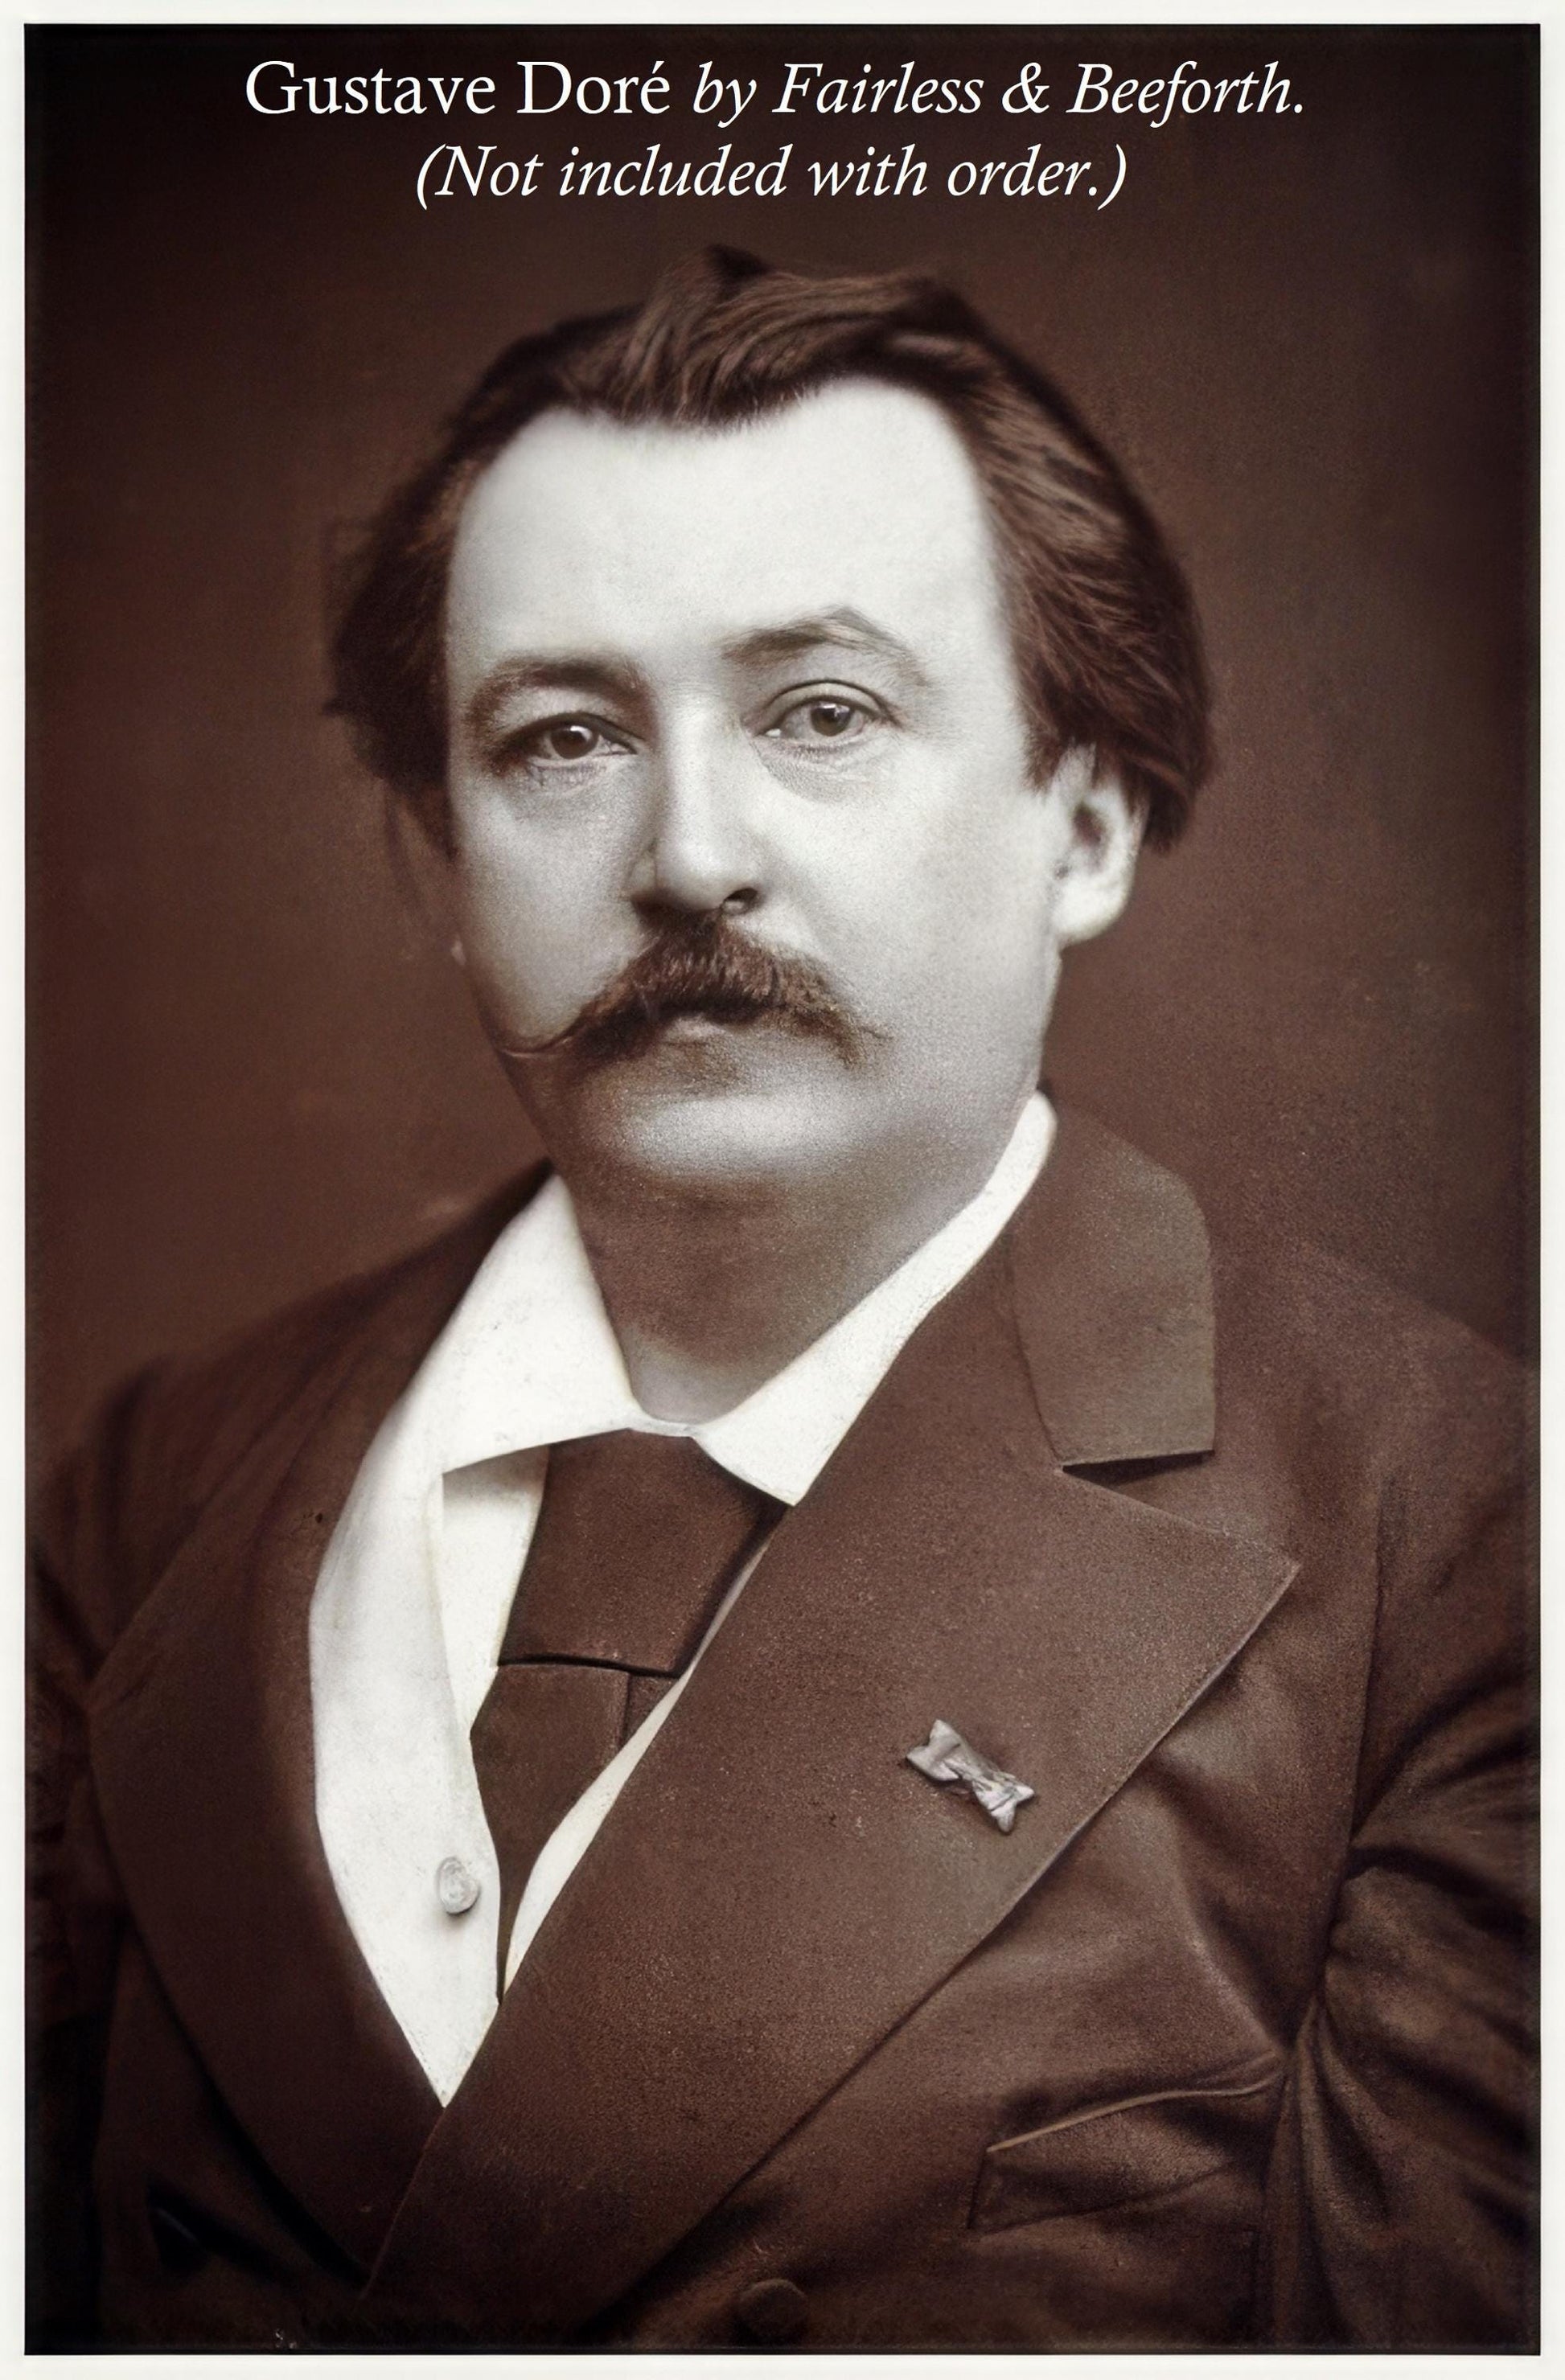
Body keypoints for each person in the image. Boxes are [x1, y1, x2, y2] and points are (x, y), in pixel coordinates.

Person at [27, 247, 1534, 2351]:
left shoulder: (1457, 1537)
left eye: (821, 714)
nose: (685, 855)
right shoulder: (154, 1490)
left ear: (1084, 826)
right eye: (563, 739)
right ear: (435, 863)